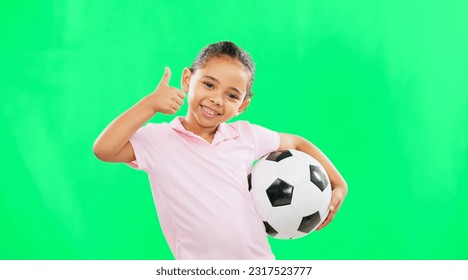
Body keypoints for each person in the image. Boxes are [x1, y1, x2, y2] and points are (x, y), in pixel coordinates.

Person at [93, 41, 347, 260]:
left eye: (232, 96)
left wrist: (339, 184)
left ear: (243, 105)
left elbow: (297, 143)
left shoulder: (245, 135)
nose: (217, 99)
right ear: (187, 80)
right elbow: (104, 149)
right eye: (209, 85)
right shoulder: (158, 140)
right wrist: (149, 105)